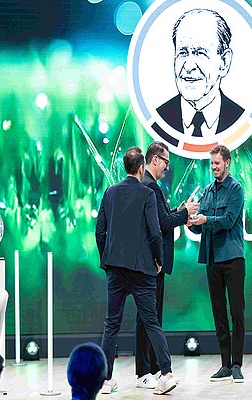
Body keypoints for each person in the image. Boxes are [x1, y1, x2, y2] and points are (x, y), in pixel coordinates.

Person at [95, 147, 177, 395]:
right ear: (142, 167)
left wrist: (106, 259)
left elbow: (100, 232)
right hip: (142, 269)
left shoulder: (110, 192)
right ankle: (166, 374)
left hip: (115, 269)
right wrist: (158, 260)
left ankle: (106, 380)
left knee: (111, 324)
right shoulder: (147, 193)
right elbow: (155, 232)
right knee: (151, 322)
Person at [135, 142, 199, 388]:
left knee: (149, 318)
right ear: (154, 160)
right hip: (152, 264)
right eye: (166, 162)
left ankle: (150, 370)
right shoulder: (150, 187)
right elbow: (161, 224)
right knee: (149, 319)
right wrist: (184, 214)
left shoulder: (149, 186)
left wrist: (178, 212)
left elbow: (161, 217)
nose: (167, 167)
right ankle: (146, 371)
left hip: (149, 263)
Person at [188, 145, 246, 382]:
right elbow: (202, 224)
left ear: (227, 162)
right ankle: (225, 364)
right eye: (211, 163)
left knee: (236, 311)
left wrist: (206, 219)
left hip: (232, 258)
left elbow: (229, 220)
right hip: (212, 258)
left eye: (217, 163)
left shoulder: (236, 189)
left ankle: (237, 364)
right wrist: (190, 221)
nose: (213, 167)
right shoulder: (208, 191)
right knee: (219, 312)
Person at [156, 9, 244, 137]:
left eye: (200, 53)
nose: (189, 66)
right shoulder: (160, 118)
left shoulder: (240, 120)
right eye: (183, 53)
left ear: (224, 62)